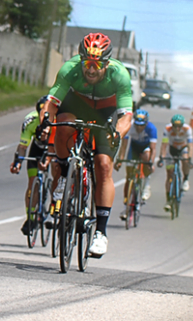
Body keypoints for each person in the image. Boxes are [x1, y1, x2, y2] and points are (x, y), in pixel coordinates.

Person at [40, 32, 133, 258]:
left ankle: (100, 233)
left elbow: (126, 117)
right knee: (62, 125)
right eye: (87, 63)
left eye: (97, 64)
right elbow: (51, 104)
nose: (91, 69)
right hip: (77, 103)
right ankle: (64, 173)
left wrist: (117, 134)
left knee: (103, 165)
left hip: (106, 111)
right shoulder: (69, 69)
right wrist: (44, 122)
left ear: (107, 63)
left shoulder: (119, 75)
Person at [10, 96, 53, 235]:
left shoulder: (57, 121)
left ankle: (56, 208)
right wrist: (17, 163)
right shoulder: (30, 121)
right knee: (32, 183)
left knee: (58, 173)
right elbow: (23, 146)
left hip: (54, 147)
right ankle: (31, 218)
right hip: (37, 148)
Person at [113, 108, 157, 220]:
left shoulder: (151, 128)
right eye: (137, 125)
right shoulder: (130, 126)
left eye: (141, 125)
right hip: (134, 148)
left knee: (147, 158)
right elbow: (124, 146)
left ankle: (146, 184)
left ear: (146, 123)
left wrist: (150, 163)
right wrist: (120, 159)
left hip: (145, 148)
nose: (138, 128)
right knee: (129, 177)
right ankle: (126, 206)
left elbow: (153, 148)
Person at [158, 114, 193, 210]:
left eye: (179, 126)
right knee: (169, 174)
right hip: (172, 149)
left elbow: (190, 145)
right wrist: (162, 157)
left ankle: (186, 179)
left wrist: (189, 159)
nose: (177, 128)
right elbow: (164, 144)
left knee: (185, 159)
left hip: (182, 148)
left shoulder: (187, 129)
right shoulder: (167, 129)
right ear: (172, 125)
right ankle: (168, 199)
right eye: (175, 126)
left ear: (182, 125)